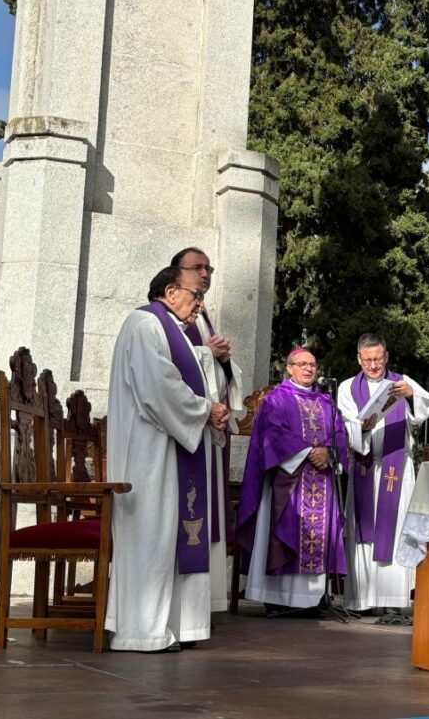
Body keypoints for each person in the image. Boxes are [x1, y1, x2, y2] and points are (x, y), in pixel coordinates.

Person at [105, 267, 230, 652]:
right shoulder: (144, 324)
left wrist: (212, 408)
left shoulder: (170, 328)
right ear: (171, 291)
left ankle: (170, 626)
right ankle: (141, 631)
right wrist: (203, 410)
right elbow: (157, 386)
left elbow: (190, 377)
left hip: (167, 446)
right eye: (196, 294)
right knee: (151, 535)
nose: (200, 305)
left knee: (168, 536)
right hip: (147, 452)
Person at [237, 348, 348, 615]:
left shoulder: (326, 402)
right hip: (288, 480)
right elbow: (273, 434)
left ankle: (311, 600)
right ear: (289, 368)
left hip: (321, 478)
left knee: (319, 533)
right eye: (302, 364)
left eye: (313, 364)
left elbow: (340, 433)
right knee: (286, 529)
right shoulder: (276, 400)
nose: (309, 369)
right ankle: (279, 599)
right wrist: (309, 452)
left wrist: (330, 453)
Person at [337, 334, 429, 616]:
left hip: (396, 469)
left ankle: (392, 599)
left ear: (386, 356)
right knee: (361, 534)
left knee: (396, 529)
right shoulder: (347, 388)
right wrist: (362, 429)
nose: (374, 365)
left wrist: (411, 395)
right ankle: (362, 600)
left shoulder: (402, 382)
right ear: (359, 359)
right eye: (368, 360)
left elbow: (422, 412)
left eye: (378, 359)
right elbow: (346, 424)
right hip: (365, 464)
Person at [172, 247, 244, 612]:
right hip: (186, 432)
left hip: (208, 431)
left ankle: (205, 605)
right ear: (177, 275)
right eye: (197, 268)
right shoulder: (167, 315)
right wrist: (208, 355)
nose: (205, 273)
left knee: (209, 514)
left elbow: (212, 371)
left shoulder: (204, 316)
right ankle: (190, 608)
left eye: (208, 268)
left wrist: (225, 359)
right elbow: (173, 366)